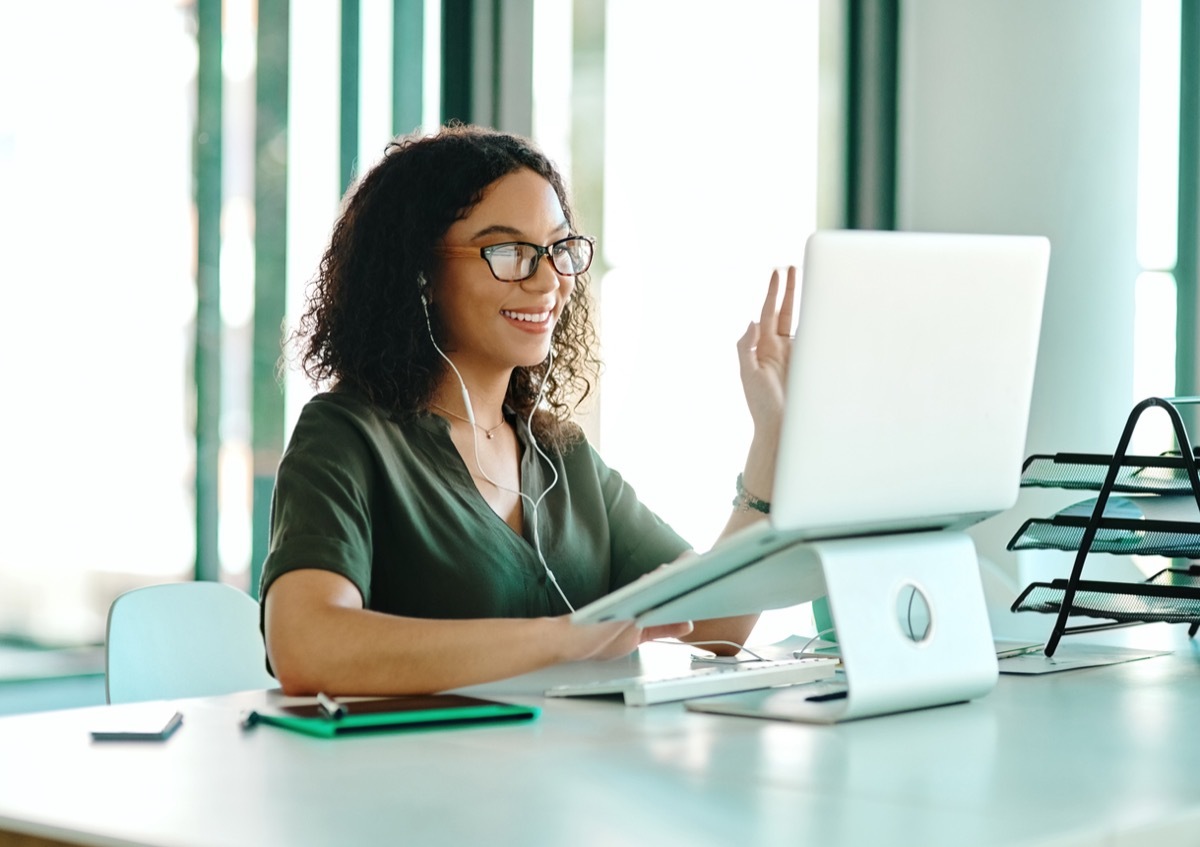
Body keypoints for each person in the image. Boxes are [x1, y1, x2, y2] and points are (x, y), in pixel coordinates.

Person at [261, 123, 797, 696]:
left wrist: (773, 434)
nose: (548, 280)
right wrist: (567, 637)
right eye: (510, 251)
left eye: (559, 248)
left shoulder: (563, 458)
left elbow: (714, 627)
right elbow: (306, 645)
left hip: (557, 779)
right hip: (412, 780)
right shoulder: (347, 435)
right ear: (420, 274)